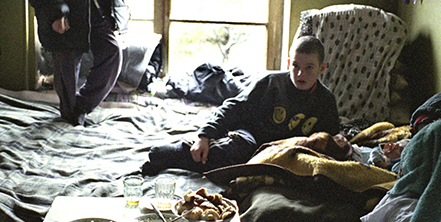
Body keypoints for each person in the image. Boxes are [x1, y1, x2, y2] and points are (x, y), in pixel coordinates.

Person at [141, 35, 341, 174]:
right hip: (251, 138)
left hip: (286, 152)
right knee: (234, 150)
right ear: (289, 63)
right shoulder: (271, 83)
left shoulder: (326, 101)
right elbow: (234, 107)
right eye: (295, 66)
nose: (300, 74)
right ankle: (176, 153)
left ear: (322, 68)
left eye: (309, 68)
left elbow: (329, 138)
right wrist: (204, 136)